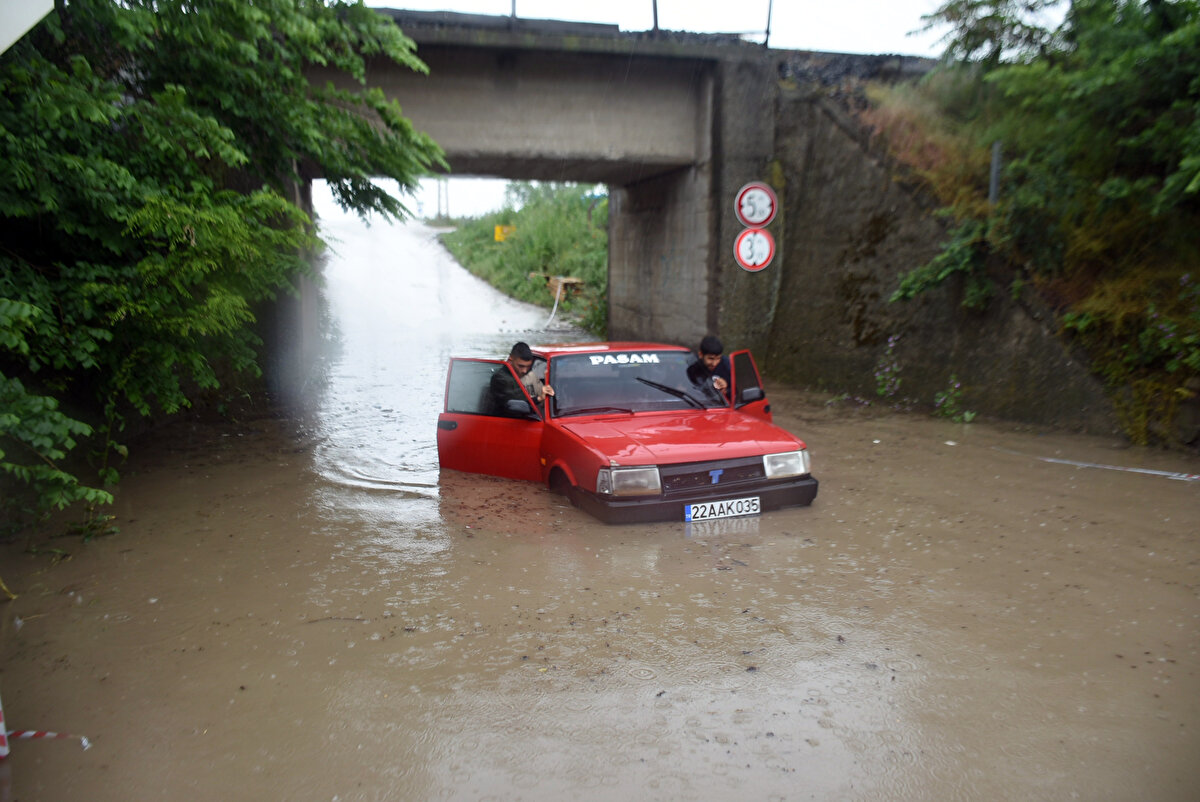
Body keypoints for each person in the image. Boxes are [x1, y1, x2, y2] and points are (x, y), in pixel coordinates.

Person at [487, 341, 553, 416]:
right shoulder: (500, 379)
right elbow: (519, 404)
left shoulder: (530, 375)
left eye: (528, 366)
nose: (524, 370)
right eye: (521, 366)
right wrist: (539, 398)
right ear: (510, 360)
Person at [688, 335, 732, 400]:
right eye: (711, 359)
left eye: (718, 358)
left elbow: (736, 394)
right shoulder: (691, 366)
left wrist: (726, 390)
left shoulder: (727, 365)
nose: (714, 364)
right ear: (700, 355)